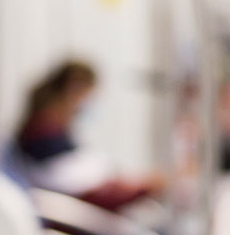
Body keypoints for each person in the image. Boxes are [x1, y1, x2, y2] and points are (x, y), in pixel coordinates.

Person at [13, 59, 167, 211]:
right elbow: (84, 192)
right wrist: (140, 189)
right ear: (74, 90)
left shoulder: (53, 133)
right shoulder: (42, 138)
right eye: (88, 96)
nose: (87, 105)